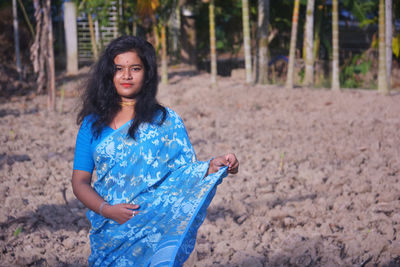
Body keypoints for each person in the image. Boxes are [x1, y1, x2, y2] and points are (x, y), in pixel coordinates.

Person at [72, 35, 239, 266]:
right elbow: (80, 182)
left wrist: (210, 167)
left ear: (147, 73)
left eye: (135, 68)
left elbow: (181, 173)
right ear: (109, 74)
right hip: (110, 233)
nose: (126, 75)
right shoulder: (92, 124)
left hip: (155, 228)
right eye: (118, 68)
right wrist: (107, 210)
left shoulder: (165, 121)